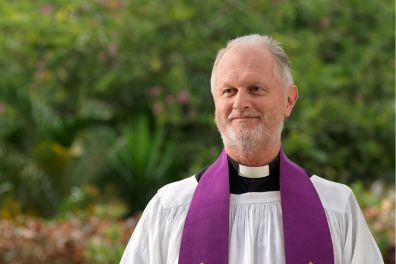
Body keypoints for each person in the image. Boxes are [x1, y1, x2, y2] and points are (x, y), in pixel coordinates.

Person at [120, 34, 383, 264]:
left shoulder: (335, 207)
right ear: (215, 104)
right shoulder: (171, 207)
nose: (240, 103)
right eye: (228, 91)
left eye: (255, 89)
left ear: (289, 100)